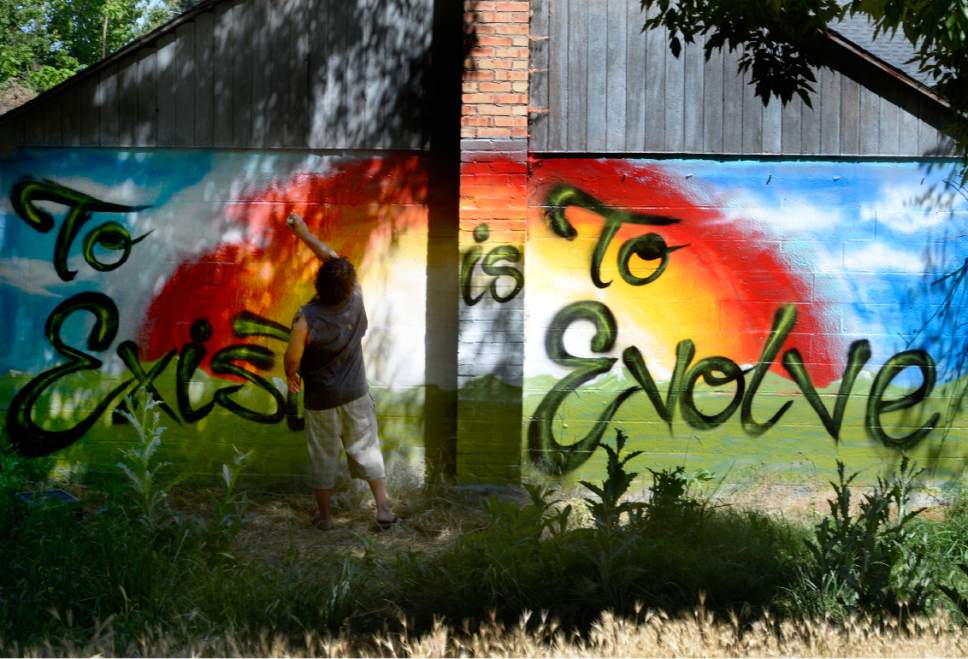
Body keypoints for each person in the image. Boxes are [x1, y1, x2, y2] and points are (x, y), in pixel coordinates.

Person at [283, 212, 398, 531]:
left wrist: (291, 377)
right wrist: (306, 235)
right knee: (367, 449)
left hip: (321, 400)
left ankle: (326, 517)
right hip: (356, 393)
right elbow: (334, 261)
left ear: (318, 282)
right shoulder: (355, 297)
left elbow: (292, 359)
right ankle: (384, 508)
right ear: (347, 284)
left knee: (323, 456)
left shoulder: (306, 317)